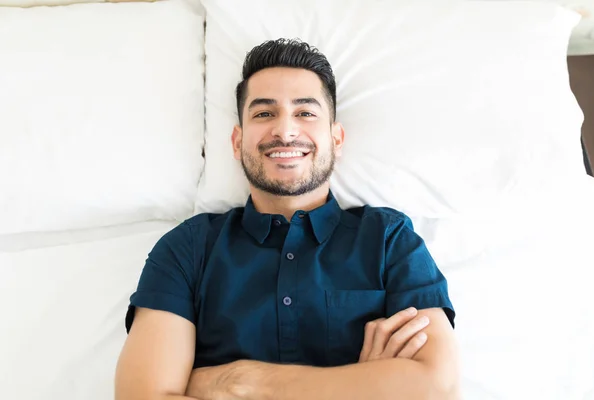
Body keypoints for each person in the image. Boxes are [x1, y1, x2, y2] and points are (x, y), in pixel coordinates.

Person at [115, 38, 459, 400]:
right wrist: (365, 383)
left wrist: (240, 382)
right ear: (237, 141)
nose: (285, 130)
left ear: (336, 139)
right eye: (264, 113)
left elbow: (439, 388)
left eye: (305, 113)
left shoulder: (390, 239)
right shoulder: (187, 248)